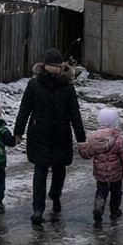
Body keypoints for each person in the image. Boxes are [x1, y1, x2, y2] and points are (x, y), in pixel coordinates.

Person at [13, 48, 86, 224]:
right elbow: (75, 114)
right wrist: (81, 138)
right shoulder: (65, 87)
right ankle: (53, 196)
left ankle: (39, 208)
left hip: (41, 133)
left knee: (41, 170)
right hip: (58, 133)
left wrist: (18, 132)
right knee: (57, 169)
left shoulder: (36, 85)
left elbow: (25, 110)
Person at [78, 106, 123, 223]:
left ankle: (99, 206)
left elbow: (88, 154)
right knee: (116, 191)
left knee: (101, 189)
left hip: (100, 173)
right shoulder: (118, 138)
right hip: (116, 173)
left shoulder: (94, 139)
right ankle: (114, 211)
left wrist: (82, 148)